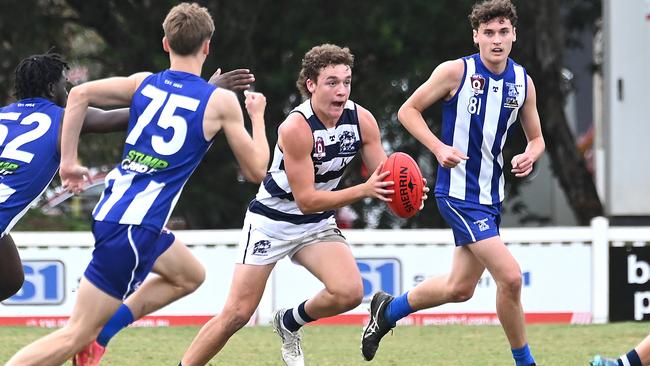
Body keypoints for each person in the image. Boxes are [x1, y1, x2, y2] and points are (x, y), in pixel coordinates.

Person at [6, 3, 269, 365]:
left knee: (188, 275)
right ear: (207, 46)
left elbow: (80, 95)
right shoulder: (220, 101)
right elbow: (257, 170)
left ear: (165, 43)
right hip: (134, 227)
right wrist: (257, 116)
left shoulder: (143, 83)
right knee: (74, 334)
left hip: (117, 211)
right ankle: (91, 337)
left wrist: (68, 162)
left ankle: (104, 333)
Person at [180, 43, 425, 366]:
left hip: (316, 224)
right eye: (332, 82)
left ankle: (289, 322)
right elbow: (306, 199)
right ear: (311, 84)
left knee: (349, 292)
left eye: (347, 82)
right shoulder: (296, 128)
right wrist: (365, 190)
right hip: (272, 221)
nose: (342, 91)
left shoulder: (361, 120)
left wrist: (408, 192)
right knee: (237, 314)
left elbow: (385, 179)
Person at [361, 1, 544, 366]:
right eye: (488, 33)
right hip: (458, 195)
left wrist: (530, 154)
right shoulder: (455, 73)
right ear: (475, 36)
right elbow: (406, 111)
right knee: (510, 278)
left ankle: (387, 311)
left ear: (514, 35)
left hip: (491, 198)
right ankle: (526, 363)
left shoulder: (522, 82)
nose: (496, 40)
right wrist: (438, 147)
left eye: (503, 32)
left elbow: (537, 138)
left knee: (459, 289)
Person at [0, 52, 130, 302]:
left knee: (9, 278)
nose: (68, 92)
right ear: (51, 88)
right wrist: (201, 98)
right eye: (65, 85)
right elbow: (120, 117)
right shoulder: (65, 117)